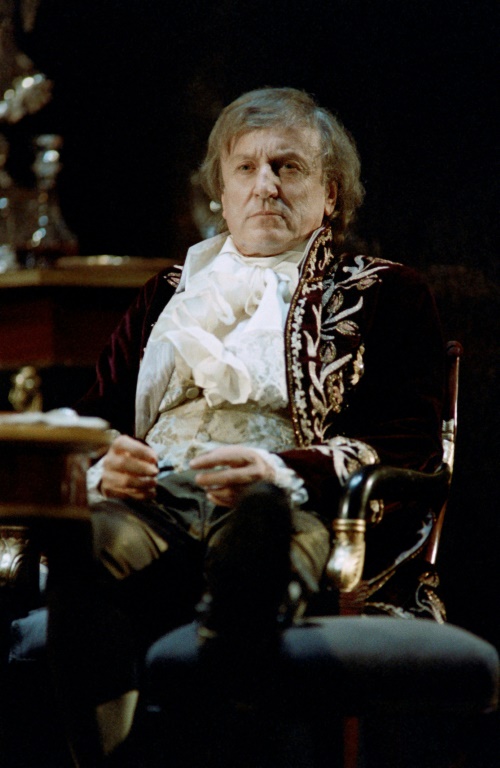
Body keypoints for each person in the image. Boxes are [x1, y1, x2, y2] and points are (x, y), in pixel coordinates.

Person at [45, 87, 444, 766]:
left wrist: (285, 471)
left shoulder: (388, 293)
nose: (266, 186)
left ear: (331, 194)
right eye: (246, 169)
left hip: (284, 505)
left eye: (288, 167)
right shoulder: (166, 294)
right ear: (222, 195)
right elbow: (95, 418)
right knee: (82, 544)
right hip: (155, 505)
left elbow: (412, 446)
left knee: (260, 538)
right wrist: (105, 464)